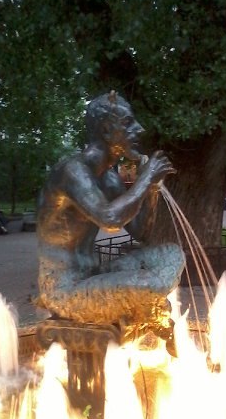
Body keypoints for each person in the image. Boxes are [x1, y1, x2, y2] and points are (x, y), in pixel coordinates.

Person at [36, 91, 185, 337]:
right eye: (128, 123)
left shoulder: (110, 178)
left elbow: (141, 232)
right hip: (65, 290)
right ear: (106, 130)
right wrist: (145, 178)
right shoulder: (72, 171)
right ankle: (149, 310)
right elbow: (110, 219)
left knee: (171, 254)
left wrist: (151, 189)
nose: (139, 129)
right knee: (152, 284)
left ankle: (146, 306)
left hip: (93, 276)